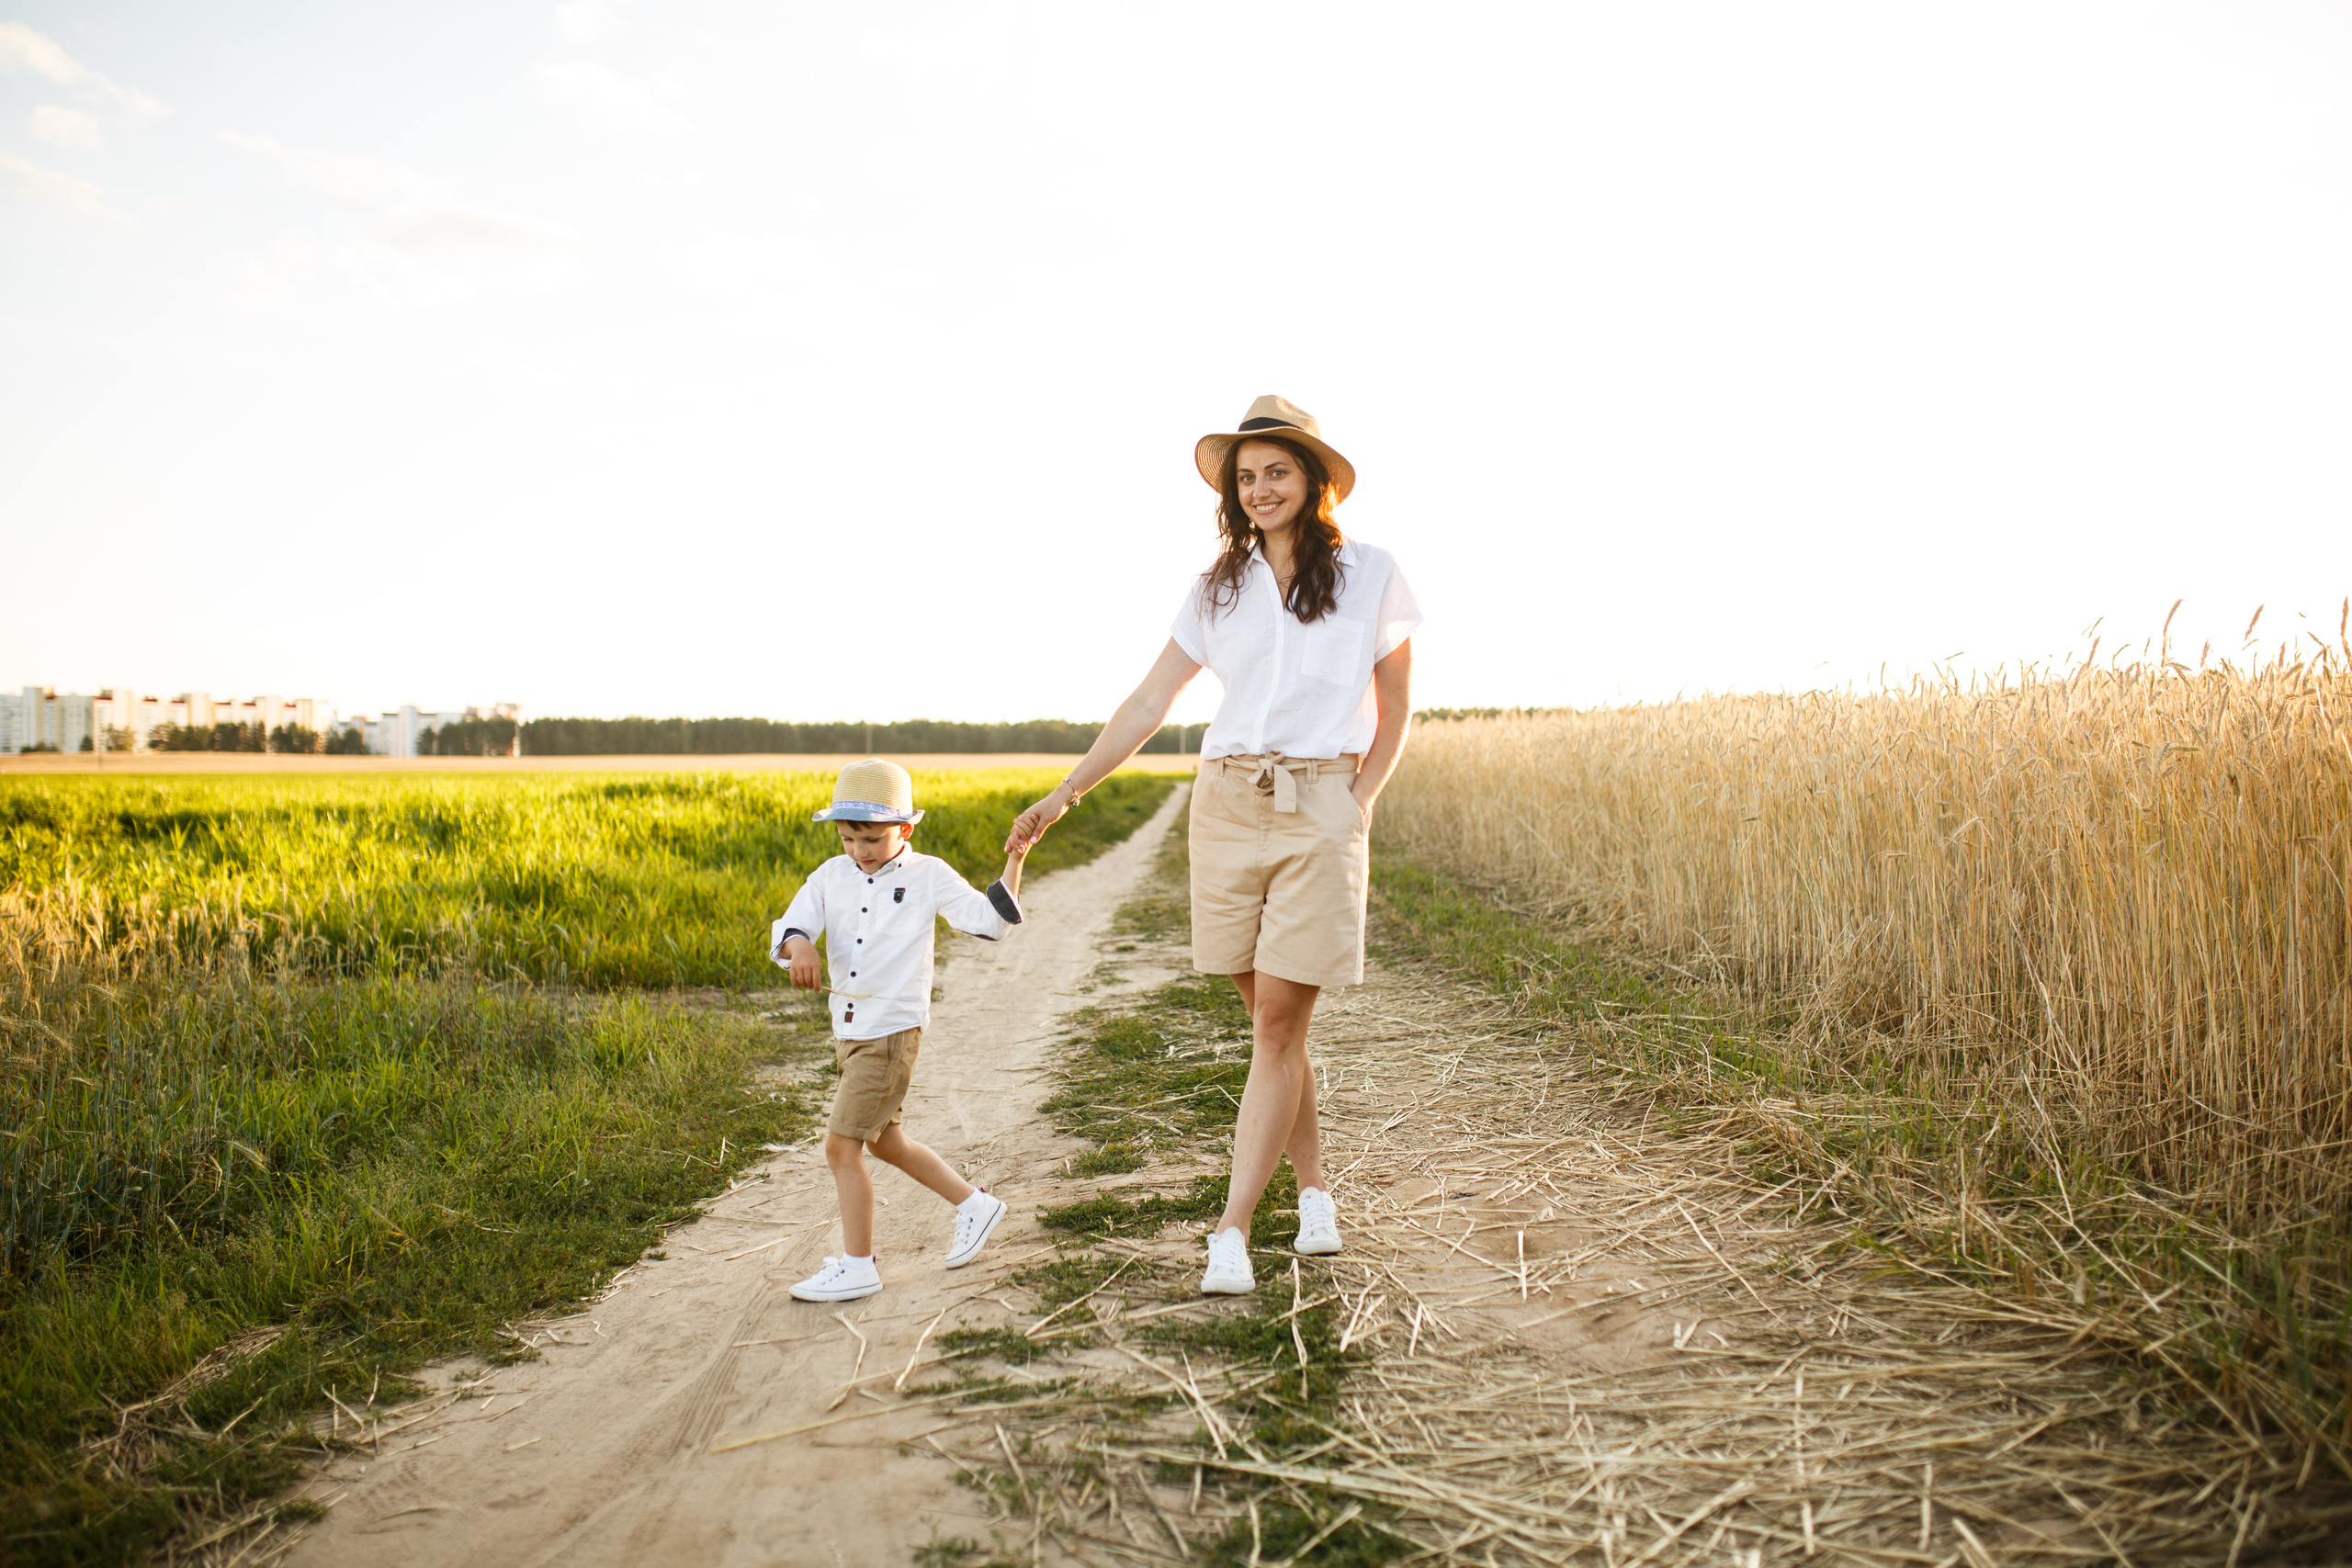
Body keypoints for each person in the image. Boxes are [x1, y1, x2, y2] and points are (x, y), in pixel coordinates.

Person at [1006, 395, 1419, 1296]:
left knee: (1278, 1021)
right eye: (1245, 476)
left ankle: (1229, 1230)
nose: (1260, 488)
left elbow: (1395, 711)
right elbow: (1150, 702)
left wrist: (1356, 803)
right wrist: (1066, 790)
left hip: (1321, 804)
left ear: (1312, 478)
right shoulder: (1216, 586)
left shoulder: (1372, 574)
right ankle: (1313, 1191)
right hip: (1227, 803)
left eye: (1277, 471)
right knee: (1271, 1022)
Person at [771, 758, 1026, 1303]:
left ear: (904, 829)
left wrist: (1014, 864)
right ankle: (975, 1205)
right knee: (886, 1142)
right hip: (849, 1031)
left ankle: (859, 1266)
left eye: (872, 838)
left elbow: (990, 923)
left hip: (891, 1033)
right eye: (848, 838)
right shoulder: (829, 876)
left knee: (842, 1148)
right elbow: (791, 926)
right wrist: (801, 946)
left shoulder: (928, 874)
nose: (859, 850)